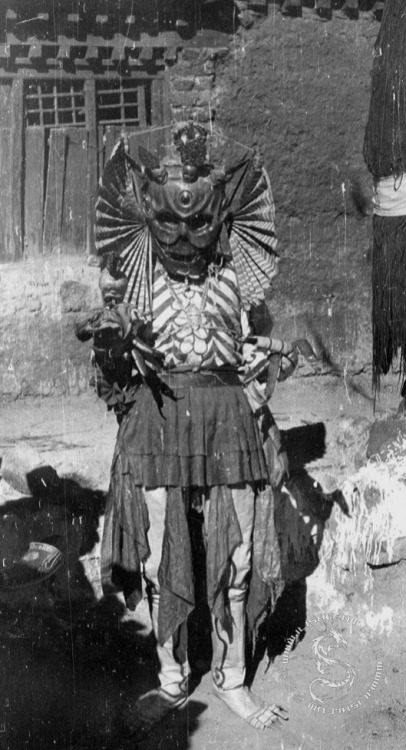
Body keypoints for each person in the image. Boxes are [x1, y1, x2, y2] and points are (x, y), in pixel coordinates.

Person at [78, 124, 300, 733]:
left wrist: (266, 365)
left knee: (236, 557)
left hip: (226, 419)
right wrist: (113, 339)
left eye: (198, 223)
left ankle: (230, 679)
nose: (183, 236)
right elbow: (115, 370)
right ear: (147, 218)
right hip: (159, 417)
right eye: (169, 224)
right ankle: (173, 678)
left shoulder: (235, 282)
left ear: (222, 220)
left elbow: (248, 354)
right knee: (154, 558)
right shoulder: (136, 281)